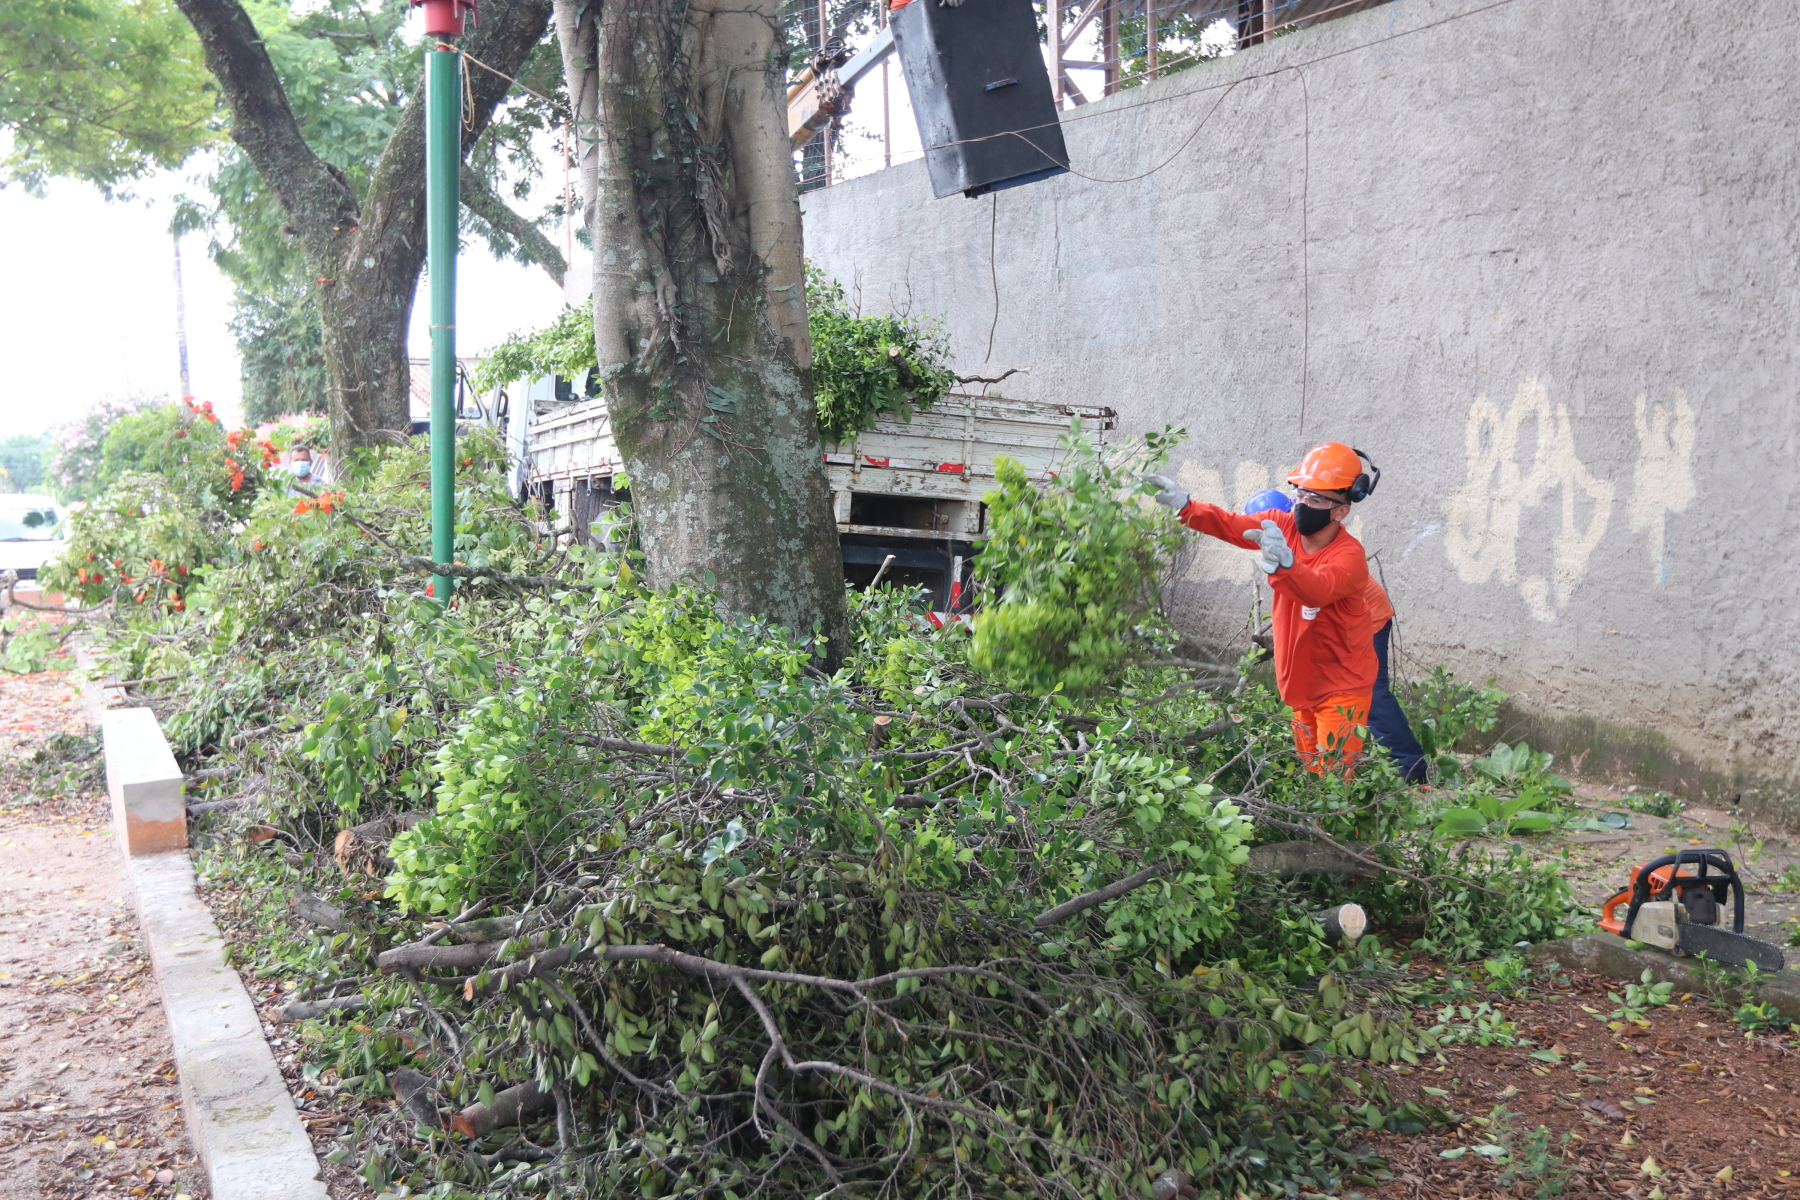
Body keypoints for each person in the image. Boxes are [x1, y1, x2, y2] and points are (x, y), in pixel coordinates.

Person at [1146, 444, 1380, 777]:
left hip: (1341, 686)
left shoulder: (1349, 557)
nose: (1302, 504)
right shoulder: (1280, 526)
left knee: (1333, 783)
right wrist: (1186, 506)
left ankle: (1342, 830)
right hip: (1303, 681)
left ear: (1341, 510)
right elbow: (1231, 525)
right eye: (1300, 494)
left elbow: (1315, 589)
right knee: (1310, 775)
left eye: (1316, 499)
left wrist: (1285, 564)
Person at [1241, 489, 1429, 782]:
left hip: (1366, 622)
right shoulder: (1292, 543)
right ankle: (1337, 764)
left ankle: (1410, 768)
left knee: (1368, 695)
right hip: (1336, 623)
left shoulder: (1308, 542)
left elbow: (1315, 597)